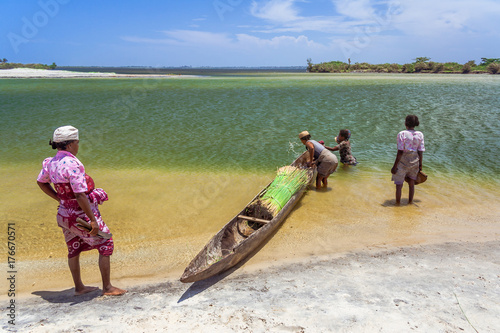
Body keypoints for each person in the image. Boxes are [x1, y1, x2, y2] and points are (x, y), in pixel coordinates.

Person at [37, 125, 126, 296]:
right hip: (79, 217)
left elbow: (41, 182)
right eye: (77, 142)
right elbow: (80, 195)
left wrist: (59, 198)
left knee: (73, 248)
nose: (78, 146)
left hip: (63, 215)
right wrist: (92, 221)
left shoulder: (51, 162)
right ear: (70, 145)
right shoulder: (73, 164)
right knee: (106, 243)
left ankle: (79, 287)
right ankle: (107, 287)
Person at [390, 115, 425, 204]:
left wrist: (394, 166)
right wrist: (420, 165)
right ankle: (410, 202)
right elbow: (420, 151)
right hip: (415, 161)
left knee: (399, 185)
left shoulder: (402, 134)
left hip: (403, 161)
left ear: (406, 123)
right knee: (412, 184)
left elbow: (400, 151)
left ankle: (397, 204)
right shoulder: (420, 134)